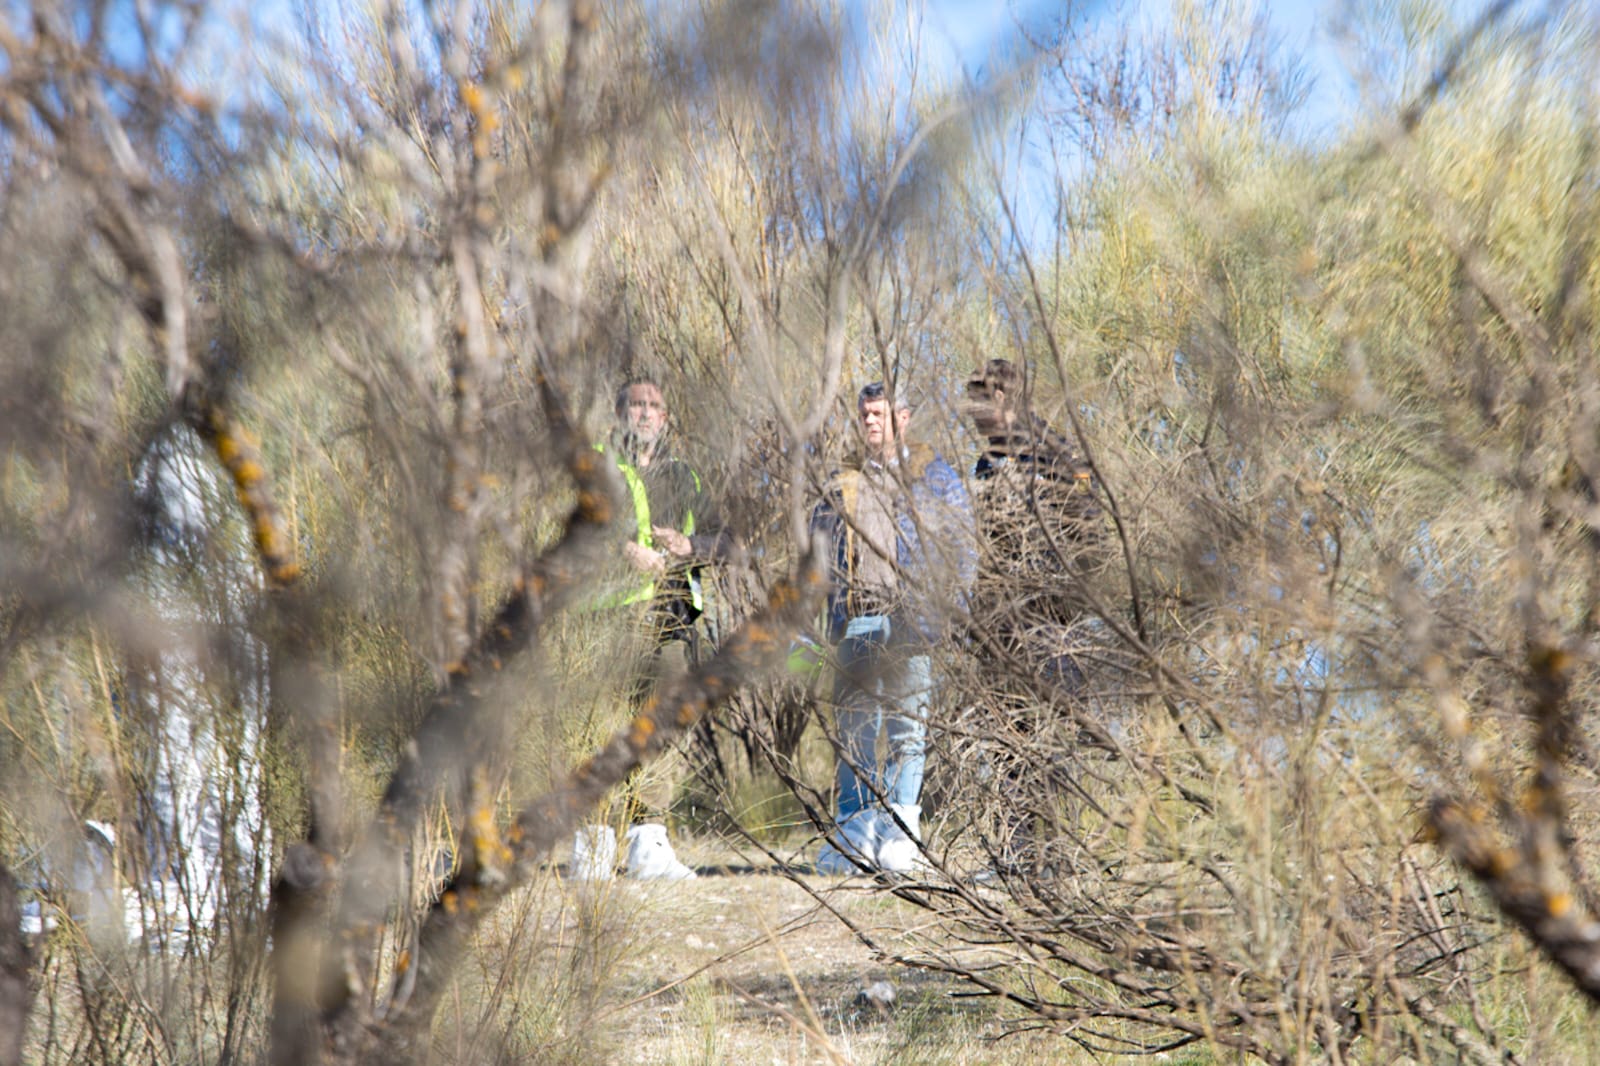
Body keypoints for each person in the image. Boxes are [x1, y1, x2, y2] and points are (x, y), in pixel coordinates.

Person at [810, 381, 974, 874]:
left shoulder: (934, 474)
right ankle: (855, 831)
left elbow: (962, 547)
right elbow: (817, 552)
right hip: (856, 616)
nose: (870, 422)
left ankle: (901, 834)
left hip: (914, 618)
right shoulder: (843, 479)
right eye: (864, 414)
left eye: (879, 413)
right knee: (856, 727)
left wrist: (952, 614)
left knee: (908, 726)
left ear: (903, 417)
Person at [962, 358, 1103, 876]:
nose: (972, 411)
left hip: (1048, 626)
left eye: (981, 400)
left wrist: (1061, 605)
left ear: (1007, 399)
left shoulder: (1055, 455)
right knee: (1006, 740)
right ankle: (1017, 857)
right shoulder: (985, 463)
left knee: (1050, 741)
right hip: (998, 628)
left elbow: (1089, 535)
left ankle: (1056, 858)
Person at [605, 377, 727, 670]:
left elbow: (728, 541)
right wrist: (626, 551)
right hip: (612, 628)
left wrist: (689, 545)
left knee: (670, 714)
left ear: (664, 418)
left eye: (653, 407)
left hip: (676, 627)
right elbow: (571, 530)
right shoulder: (598, 464)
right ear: (619, 412)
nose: (645, 414)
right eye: (637, 405)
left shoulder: (683, 476)